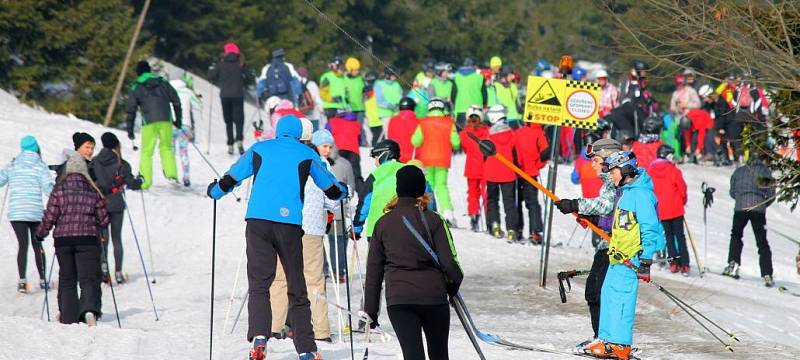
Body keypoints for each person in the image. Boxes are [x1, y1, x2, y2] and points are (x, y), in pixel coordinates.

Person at [207, 114, 346, 360]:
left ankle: (260, 336)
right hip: (289, 225)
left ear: (278, 130)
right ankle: (306, 349)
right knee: (297, 286)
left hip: (258, 222)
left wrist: (216, 190)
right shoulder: (306, 154)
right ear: (299, 133)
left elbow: (233, 176)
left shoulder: (260, 148)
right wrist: (342, 190)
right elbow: (331, 188)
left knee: (260, 283)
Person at [365, 165, 463, 360]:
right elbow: (450, 263)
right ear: (421, 189)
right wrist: (453, 285)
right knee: (439, 353)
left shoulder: (383, 224)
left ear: (398, 188)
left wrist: (371, 310)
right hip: (433, 296)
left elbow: (374, 270)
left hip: (399, 299)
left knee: (412, 354)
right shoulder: (435, 220)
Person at [582, 150, 661, 360]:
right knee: (608, 294)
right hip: (616, 256)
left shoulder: (642, 194)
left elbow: (650, 228)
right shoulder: (625, 192)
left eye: (614, 171)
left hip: (631, 259)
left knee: (622, 300)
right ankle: (605, 339)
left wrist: (645, 260)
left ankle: (620, 344)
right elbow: (618, 225)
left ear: (626, 169)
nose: (611, 175)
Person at [270, 129, 340, 343]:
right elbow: (333, 201)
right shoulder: (322, 165)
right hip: (312, 229)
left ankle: (274, 326)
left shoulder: (285, 164)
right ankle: (321, 331)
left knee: (281, 276)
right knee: (314, 279)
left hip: (287, 226)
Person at [555, 139, 622, 344]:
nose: (591, 164)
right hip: (607, 242)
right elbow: (610, 213)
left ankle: (605, 340)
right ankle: (601, 338)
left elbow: (605, 205)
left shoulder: (614, 181)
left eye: (595, 160)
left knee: (597, 292)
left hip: (614, 246)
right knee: (595, 291)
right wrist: (592, 219)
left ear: (608, 160)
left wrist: (576, 204)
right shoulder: (610, 181)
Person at [36, 153, 109, 326]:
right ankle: (89, 310)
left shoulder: (59, 190)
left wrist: (40, 234)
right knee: (87, 278)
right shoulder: (92, 190)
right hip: (88, 240)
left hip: (64, 241)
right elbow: (104, 219)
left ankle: (68, 316)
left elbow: (50, 216)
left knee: (68, 278)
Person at [0, 136, 54, 292]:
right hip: (35, 212)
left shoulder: (14, 164)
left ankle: (22, 281)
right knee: (38, 244)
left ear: (22, 148)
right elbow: (48, 188)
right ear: (36, 148)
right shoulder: (40, 165)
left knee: (22, 246)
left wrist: (9, 167)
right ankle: (43, 280)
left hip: (17, 213)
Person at [91, 133, 144, 284]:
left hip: (100, 204)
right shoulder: (123, 164)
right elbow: (132, 184)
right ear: (115, 144)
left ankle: (103, 271)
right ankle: (118, 272)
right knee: (116, 239)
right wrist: (140, 181)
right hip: (117, 204)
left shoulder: (94, 163)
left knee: (102, 239)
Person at [126, 60, 181, 188]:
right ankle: (171, 174)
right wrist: (178, 120)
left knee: (146, 152)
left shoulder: (137, 86)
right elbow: (176, 100)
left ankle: (145, 181)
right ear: (149, 71)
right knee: (167, 148)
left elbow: (131, 109)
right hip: (166, 121)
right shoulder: (162, 82)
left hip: (149, 122)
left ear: (138, 73)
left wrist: (130, 129)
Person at [723, 155, 776, 287]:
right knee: (762, 242)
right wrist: (763, 204)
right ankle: (767, 273)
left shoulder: (740, 171)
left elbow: (732, 191)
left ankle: (733, 264)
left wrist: (740, 199)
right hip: (758, 210)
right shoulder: (765, 172)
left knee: (736, 235)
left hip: (740, 208)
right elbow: (771, 194)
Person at [411, 98, 461, 225]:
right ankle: (448, 213)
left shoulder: (423, 122)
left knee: (429, 186)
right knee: (442, 186)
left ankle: (429, 211)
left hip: (426, 159)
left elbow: (415, 141)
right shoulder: (449, 123)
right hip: (442, 159)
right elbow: (456, 142)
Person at [648, 145, 689, 275]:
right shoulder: (673, 170)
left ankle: (673, 264)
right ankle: (684, 264)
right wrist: (683, 201)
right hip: (676, 208)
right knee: (680, 236)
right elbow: (682, 188)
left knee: (669, 237)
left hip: (662, 210)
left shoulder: (651, 170)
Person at [352, 140, 405, 240]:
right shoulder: (409, 171)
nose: (376, 163)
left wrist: (356, 228)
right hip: (405, 229)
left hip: (378, 232)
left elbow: (364, 204)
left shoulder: (375, 176)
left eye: (376, 158)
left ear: (385, 154)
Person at [207, 43, 254, 155]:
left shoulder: (220, 64)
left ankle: (230, 144)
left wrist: (212, 68)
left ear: (226, 52)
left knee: (228, 120)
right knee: (239, 119)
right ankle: (239, 141)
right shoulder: (241, 64)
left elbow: (211, 77)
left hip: (225, 96)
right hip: (238, 95)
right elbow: (250, 79)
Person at [482, 105, 519, 241]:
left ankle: (495, 225)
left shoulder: (489, 135)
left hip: (491, 173)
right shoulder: (511, 134)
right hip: (508, 173)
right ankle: (511, 230)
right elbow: (516, 153)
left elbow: (484, 154)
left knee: (492, 200)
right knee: (509, 202)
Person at [325, 145, 357, 281]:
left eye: (329, 146)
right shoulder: (314, 162)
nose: (327, 150)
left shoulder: (344, 164)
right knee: (327, 242)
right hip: (322, 211)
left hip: (337, 211)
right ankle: (329, 270)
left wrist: (344, 195)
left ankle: (338, 271)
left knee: (337, 241)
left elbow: (351, 187)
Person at [514, 121, 549, 243]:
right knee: (533, 204)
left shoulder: (518, 132)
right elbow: (545, 153)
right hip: (531, 173)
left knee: (516, 203)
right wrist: (538, 165)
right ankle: (535, 232)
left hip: (516, 172)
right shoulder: (539, 133)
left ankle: (516, 230)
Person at [169, 75, 203, 186]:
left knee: (171, 151)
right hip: (185, 126)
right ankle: (186, 176)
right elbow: (199, 106)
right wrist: (198, 98)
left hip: (172, 126)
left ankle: (172, 175)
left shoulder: (169, 91)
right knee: (183, 151)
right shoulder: (188, 92)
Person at [460, 106, 489, 232]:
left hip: (471, 167)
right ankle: (490, 218)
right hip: (485, 167)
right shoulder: (487, 132)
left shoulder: (464, 133)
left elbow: (466, 149)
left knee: (472, 194)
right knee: (486, 194)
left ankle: (473, 215)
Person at [326, 111, 364, 191]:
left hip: (337, 150)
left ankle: (335, 197)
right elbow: (359, 139)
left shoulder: (332, 121)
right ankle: (363, 199)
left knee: (336, 173)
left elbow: (326, 135)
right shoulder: (356, 123)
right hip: (353, 150)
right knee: (356, 176)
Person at [453, 57, 487, 129]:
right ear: (474, 66)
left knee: (461, 136)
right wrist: (484, 104)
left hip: (460, 110)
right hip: (476, 111)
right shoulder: (480, 77)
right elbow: (484, 95)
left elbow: (453, 94)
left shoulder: (457, 77)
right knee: (475, 136)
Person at [373, 68, 403, 146]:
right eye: (393, 75)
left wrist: (399, 105)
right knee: (389, 135)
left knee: (398, 135)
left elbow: (401, 96)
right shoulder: (379, 84)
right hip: (385, 114)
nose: (395, 76)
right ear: (388, 75)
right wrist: (390, 106)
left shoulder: (396, 84)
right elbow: (379, 100)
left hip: (397, 114)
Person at [386, 97, 420, 163]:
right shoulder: (418, 122)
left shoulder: (393, 120)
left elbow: (390, 137)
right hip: (414, 158)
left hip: (396, 157)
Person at [344, 57, 367, 125]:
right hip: (350, 109)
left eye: (357, 70)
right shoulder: (344, 80)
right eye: (354, 70)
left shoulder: (360, 79)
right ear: (349, 70)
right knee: (351, 128)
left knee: (360, 128)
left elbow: (364, 92)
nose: (357, 72)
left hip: (360, 108)